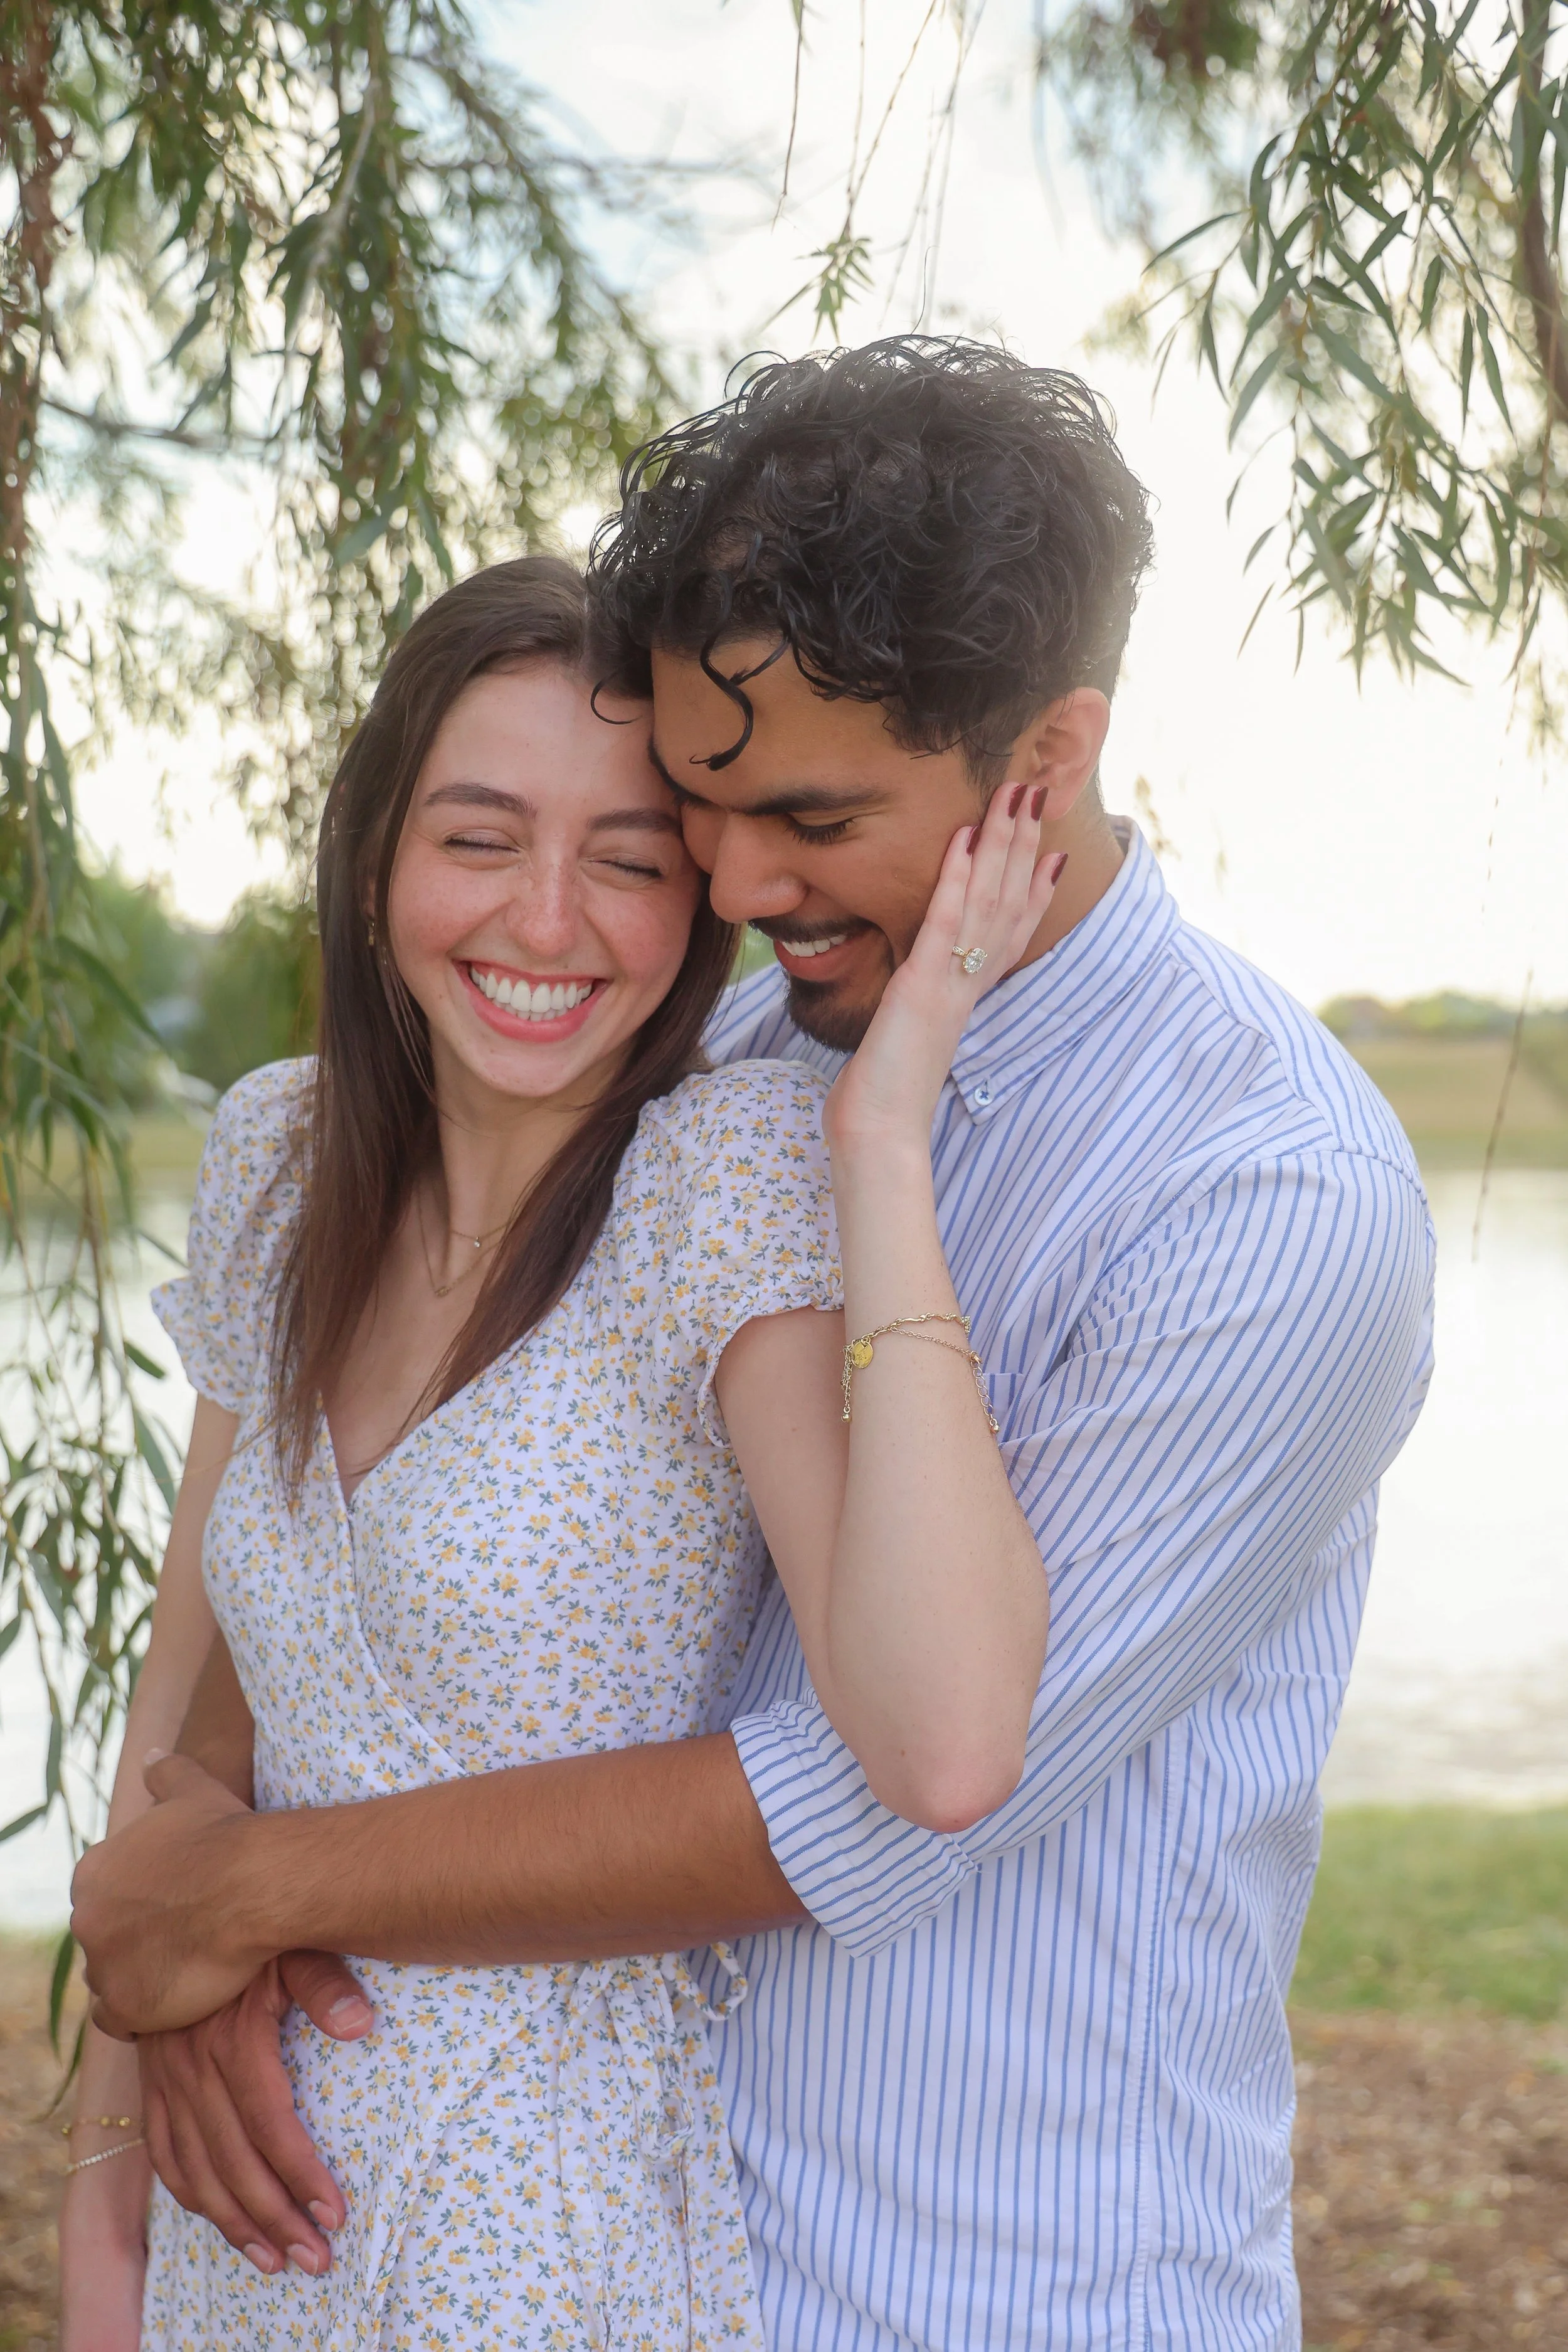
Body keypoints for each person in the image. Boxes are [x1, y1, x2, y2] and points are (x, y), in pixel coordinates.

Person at [72, 339, 1436, 2352]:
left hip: (991, 2281)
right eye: (694, 816)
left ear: (1038, 768)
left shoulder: (1262, 1204)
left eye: (800, 816)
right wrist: (190, 1982)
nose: (722, 887)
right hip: (604, 2217)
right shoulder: (699, 1050)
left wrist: (248, 1895)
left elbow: (884, 1785)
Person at [61, 545, 1060, 2349]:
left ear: (694, 912)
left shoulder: (721, 1181)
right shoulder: (278, 1162)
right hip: (243, 2230)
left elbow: (941, 1732)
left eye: (627, 860)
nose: (547, 920)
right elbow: (185, 1721)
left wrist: (884, 1132)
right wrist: (108, 2179)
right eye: (477, 836)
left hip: (531, 2228)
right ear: (372, 862)